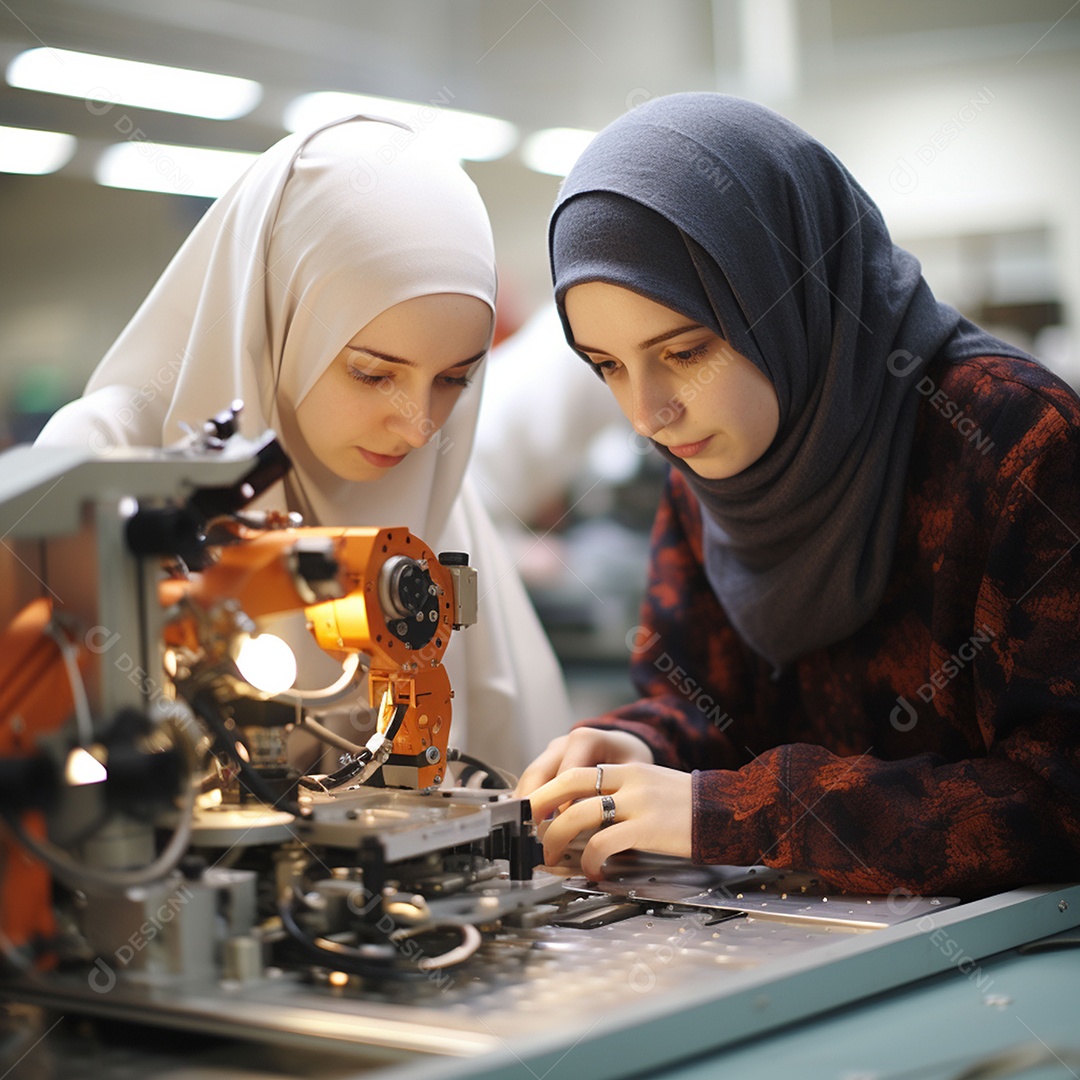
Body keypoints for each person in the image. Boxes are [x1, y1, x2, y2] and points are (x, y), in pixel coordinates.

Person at [518, 93, 1080, 897]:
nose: (647, 414)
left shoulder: (1016, 438)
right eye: (607, 365)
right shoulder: (708, 464)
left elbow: (1059, 798)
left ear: (785, 293)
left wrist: (745, 814)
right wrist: (640, 747)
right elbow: (707, 706)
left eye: (684, 352)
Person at [35, 114, 570, 775]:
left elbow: (512, 772)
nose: (419, 427)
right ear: (277, 317)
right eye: (372, 374)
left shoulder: (443, 512)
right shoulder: (100, 465)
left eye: (454, 380)